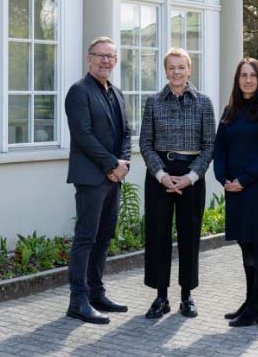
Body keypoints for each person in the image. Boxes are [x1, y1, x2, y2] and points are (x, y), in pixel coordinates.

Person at [139, 47, 215, 320]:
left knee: (189, 235)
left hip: (191, 176)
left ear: (189, 69)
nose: (176, 72)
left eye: (181, 67)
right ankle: (161, 297)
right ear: (165, 70)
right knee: (158, 236)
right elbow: (145, 143)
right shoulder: (154, 102)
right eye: (171, 67)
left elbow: (209, 145)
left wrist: (191, 176)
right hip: (160, 175)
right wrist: (161, 175)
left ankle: (187, 296)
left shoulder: (204, 103)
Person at [65, 36, 132, 324]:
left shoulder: (116, 93)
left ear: (115, 61)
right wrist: (110, 165)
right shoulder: (79, 92)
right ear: (89, 58)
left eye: (110, 56)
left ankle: (96, 292)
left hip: (114, 178)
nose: (106, 60)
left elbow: (127, 132)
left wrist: (123, 165)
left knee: (104, 237)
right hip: (91, 178)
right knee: (86, 238)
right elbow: (83, 135)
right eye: (100, 55)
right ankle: (77, 300)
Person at [213, 58, 258, 327]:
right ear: (237, 79)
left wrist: (244, 179)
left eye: (253, 75)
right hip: (234, 189)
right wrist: (224, 178)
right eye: (243, 75)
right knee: (245, 244)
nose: (248, 80)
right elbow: (219, 148)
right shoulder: (231, 110)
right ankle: (252, 304)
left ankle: (256, 304)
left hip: (256, 188)